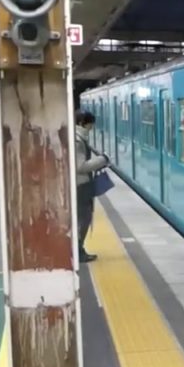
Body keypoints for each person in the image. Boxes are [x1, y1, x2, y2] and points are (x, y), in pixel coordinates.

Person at [75, 110, 109, 263]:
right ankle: (78, 251)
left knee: (84, 218)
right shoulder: (77, 141)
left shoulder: (79, 138)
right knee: (84, 218)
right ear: (83, 123)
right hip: (80, 185)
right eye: (90, 124)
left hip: (82, 184)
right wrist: (102, 159)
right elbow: (80, 166)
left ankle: (78, 249)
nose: (92, 127)